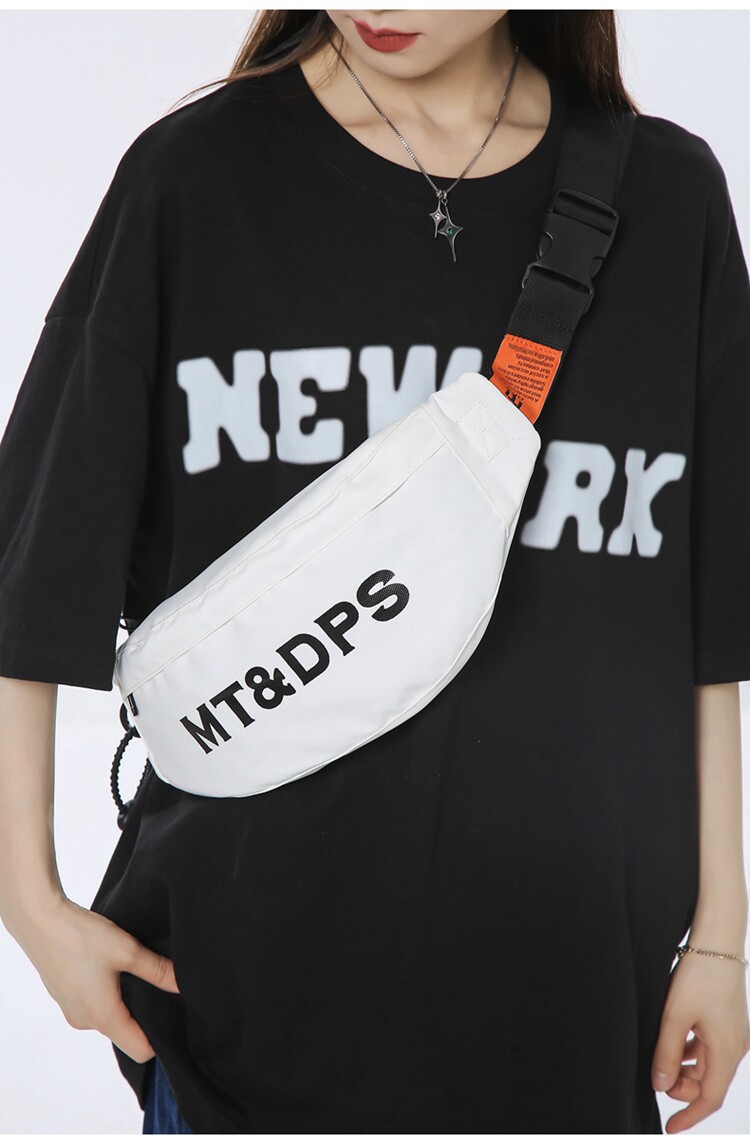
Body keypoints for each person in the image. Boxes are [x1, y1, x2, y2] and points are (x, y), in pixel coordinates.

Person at [0, 8, 749, 1135]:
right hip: (241, 1044)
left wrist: (724, 937)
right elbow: (32, 567)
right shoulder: (191, 182)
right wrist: (28, 902)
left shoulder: (669, 199)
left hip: (574, 1030)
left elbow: (707, 618)